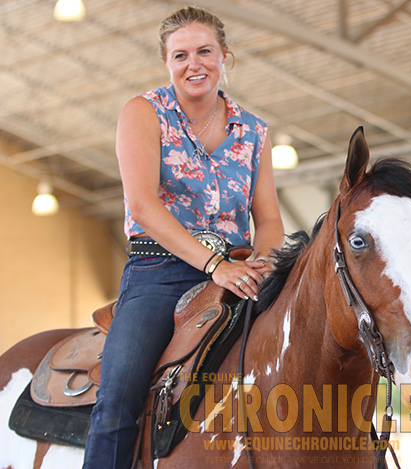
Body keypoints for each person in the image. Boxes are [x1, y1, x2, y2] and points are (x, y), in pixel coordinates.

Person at [82, 6, 284, 468]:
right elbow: (142, 207)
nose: (194, 64)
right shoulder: (143, 113)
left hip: (240, 271)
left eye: (204, 51)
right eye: (180, 55)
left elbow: (269, 218)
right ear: (167, 63)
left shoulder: (254, 131)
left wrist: (265, 264)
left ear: (225, 56)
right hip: (160, 272)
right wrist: (216, 267)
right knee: (119, 398)